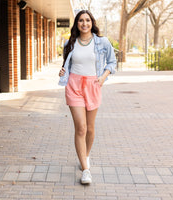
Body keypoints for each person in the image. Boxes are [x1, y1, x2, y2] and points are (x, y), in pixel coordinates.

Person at [58, 10, 117, 184]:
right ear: (76, 24)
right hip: (74, 86)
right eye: (81, 21)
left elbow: (112, 63)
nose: (84, 23)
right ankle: (85, 170)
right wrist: (63, 71)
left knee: (90, 128)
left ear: (92, 22)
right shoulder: (70, 43)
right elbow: (66, 65)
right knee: (81, 128)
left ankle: (85, 155)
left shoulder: (102, 42)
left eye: (87, 20)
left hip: (93, 85)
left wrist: (103, 77)